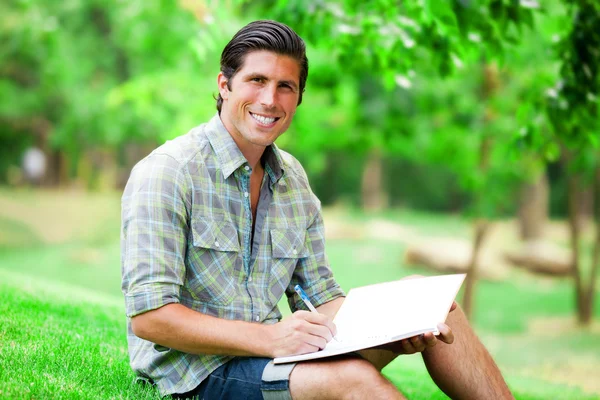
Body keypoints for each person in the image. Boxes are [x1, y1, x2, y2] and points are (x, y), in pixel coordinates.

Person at [121, 20, 513, 400]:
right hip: (193, 374)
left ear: (298, 98)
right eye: (257, 80)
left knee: (432, 305)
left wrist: (396, 328)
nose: (270, 100)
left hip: (274, 355)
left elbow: (320, 296)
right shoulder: (168, 172)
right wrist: (270, 338)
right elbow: (151, 317)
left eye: (285, 87)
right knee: (352, 379)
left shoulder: (292, 179)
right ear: (224, 85)